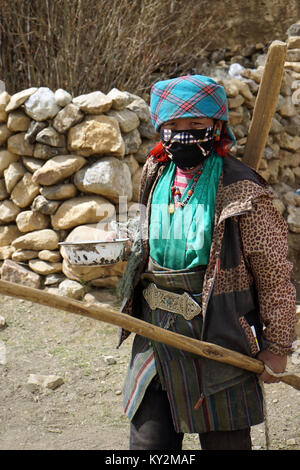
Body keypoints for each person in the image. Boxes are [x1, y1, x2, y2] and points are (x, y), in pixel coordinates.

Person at [117, 75, 297, 450]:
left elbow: (274, 275)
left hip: (222, 338)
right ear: (160, 127)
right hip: (157, 334)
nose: (183, 134)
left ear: (216, 126)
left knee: (225, 445)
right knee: (149, 445)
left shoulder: (244, 190)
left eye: (196, 125)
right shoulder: (155, 172)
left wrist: (277, 347)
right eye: (173, 126)